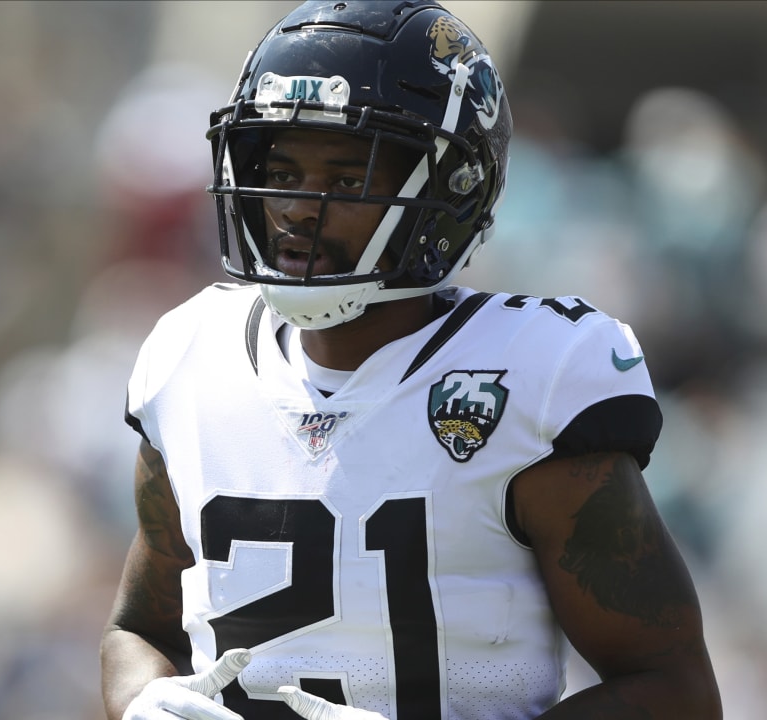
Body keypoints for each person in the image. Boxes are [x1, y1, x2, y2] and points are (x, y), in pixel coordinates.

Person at [101, 1, 722, 718]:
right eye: (283, 168)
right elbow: (137, 631)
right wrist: (143, 705)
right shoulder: (192, 358)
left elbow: (673, 692)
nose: (298, 207)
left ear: (448, 187)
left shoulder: (528, 381)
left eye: (344, 174)